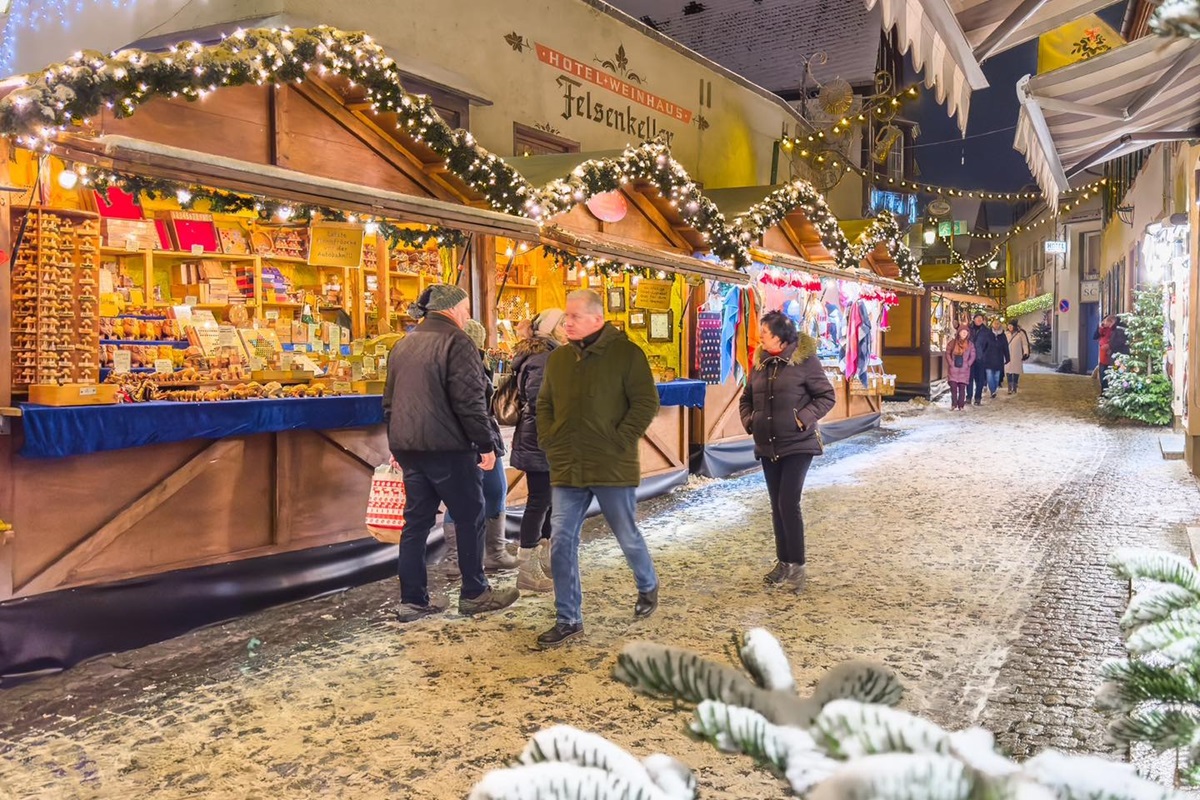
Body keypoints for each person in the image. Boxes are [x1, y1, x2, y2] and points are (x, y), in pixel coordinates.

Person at [382, 284, 519, 622]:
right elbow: (470, 402)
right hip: (449, 448)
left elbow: (389, 402)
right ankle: (475, 592)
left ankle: (412, 601)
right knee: (471, 515)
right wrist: (486, 444)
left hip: (410, 448)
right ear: (453, 308)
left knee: (414, 524)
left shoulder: (403, 343)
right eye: (466, 308)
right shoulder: (458, 342)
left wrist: (397, 444)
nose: (468, 315)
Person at [534, 290, 661, 649]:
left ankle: (647, 583)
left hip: (611, 464)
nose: (567, 323)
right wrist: (551, 439)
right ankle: (568, 618)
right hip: (567, 464)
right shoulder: (558, 359)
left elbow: (646, 402)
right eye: (565, 317)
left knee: (626, 533)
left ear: (596, 319)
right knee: (561, 541)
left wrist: (619, 440)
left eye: (574, 316)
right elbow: (544, 404)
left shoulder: (626, 355)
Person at [739, 311, 836, 590]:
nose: (760, 338)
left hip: (797, 443)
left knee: (788, 504)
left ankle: (797, 567)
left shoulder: (805, 361)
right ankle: (783, 562)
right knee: (776, 506)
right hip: (768, 444)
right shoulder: (760, 362)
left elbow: (827, 396)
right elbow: (745, 399)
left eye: (765, 333)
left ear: (781, 336)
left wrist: (801, 418)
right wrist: (750, 421)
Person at [440, 319, 518, 580]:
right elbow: (472, 405)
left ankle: (491, 552)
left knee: (493, 490)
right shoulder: (465, 362)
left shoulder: (469, 360)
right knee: (467, 494)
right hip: (470, 438)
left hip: (474, 436)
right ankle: (460, 559)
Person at [508, 308, 566, 593]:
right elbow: (541, 400)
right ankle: (527, 568)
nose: (569, 327)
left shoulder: (552, 354)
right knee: (540, 500)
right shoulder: (545, 357)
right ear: (552, 329)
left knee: (550, 500)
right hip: (542, 439)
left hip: (545, 439)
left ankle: (544, 560)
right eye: (564, 323)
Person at [977, 318, 1011, 400]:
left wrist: (1007, 357)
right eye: (995, 323)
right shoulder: (988, 334)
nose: (996, 325)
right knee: (989, 375)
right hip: (988, 359)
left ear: (1000, 325)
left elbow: (1005, 347)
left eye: (998, 323)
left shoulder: (1003, 335)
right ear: (992, 324)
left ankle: (994, 389)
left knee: (996, 377)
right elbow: (983, 346)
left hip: (999, 359)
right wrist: (981, 355)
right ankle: (992, 391)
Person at [944, 327, 976, 411]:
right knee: (953, 388)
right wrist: (950, 362)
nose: (964, 334)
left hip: (964, 370)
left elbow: (973, 355)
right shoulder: (952, 343)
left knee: (962, 388)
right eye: (962, 332)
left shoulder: (970, 344)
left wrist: (968, 364)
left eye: (966, 332)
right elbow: (947, 353)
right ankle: (954, 404)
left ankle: (961, 405)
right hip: (953, 369)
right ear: (959, 333)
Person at [967, 313, 989, 405]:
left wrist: (984, 355)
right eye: (977, 318)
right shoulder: (969, 329)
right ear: (974, 319)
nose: (979, 320)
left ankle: (978, 398)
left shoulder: (986, 331)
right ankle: (968, 397)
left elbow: (989, 345)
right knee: (969, 378)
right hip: (969, 357)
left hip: (980, 358)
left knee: (979, 379)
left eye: (981, 318)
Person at [1004, 320, 1031, 394]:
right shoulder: (1006, 334)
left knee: (1016, 371)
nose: (1009, 327)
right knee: (1008, 371)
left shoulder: (1020, 334)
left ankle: (1015, 385)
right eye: (1008, 326)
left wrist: (1026, 353)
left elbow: (1024, 344)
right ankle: (1009, 387)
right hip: (1007, 355)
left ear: (1014, 326)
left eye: (1011, 326)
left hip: (1017, 355)